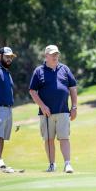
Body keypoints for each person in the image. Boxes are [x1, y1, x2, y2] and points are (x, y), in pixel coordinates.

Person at [29, 45, 77, 173]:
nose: (55, 56)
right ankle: (52, 164)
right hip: (46, 113)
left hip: (63, 110)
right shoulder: (39, 71)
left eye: (56, 54)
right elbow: (32, 91)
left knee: (64, 138)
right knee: (49, 139)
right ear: (46, 56)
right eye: (52, 54)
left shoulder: (64, 69)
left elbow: (73, 88)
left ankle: (67, 164)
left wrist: (74, 106)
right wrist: (42, 106)